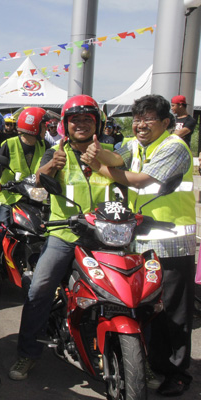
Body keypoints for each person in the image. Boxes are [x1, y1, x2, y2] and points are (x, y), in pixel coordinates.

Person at [82, 94, 195, 397]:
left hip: (172, 242)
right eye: (136, 118)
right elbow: (117, 158)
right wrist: (98, 152)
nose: (140, 124)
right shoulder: (135, 145)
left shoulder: (174, 147)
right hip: (140, 241)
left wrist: (98, 166)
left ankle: (178, 373)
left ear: (166, 123)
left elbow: (140, 180)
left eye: (148, 118)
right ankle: (152, 364)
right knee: (147, 309)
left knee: (173, 313)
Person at [8, 95, 118, 381]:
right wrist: (50, 166)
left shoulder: (108, 149)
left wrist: (100, 157)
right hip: (64, 234)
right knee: (39, 287)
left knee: (126, 292)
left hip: (105, 236)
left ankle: (139, 356)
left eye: (87, 119)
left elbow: (122, 165)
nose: (80, 124)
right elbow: (36, 181)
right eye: (75, 120)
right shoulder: (56, 152)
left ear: (97, 123)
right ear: (65, 126)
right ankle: (27, 354)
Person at [0, 107, 49, 250]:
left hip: (34, 196)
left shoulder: (44, 145)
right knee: (2, 229)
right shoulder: (9, 144)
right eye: (43, 126)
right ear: (34, 127)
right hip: (9, 196)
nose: (46, 129)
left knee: (46, 231)